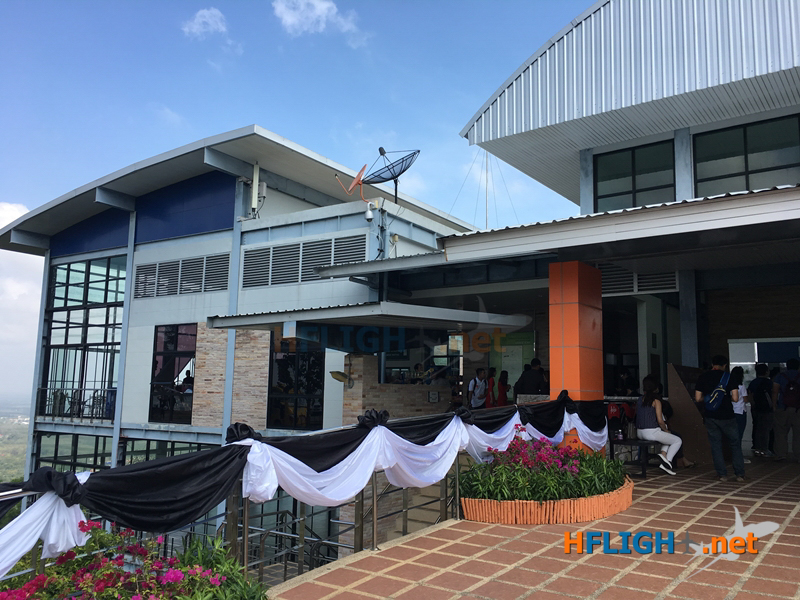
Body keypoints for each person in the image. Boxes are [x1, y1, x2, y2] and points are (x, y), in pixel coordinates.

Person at [694, 355, 745, 482]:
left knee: (716, 445)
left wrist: (709, 399)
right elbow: (735, 398)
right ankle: (740, 474)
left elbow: (698, 398)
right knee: (735, 444)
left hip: (710, 415)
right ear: (725, 365)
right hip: (728, 416)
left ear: (712, 364)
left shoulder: (703, 377)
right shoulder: (729, 377)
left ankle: (722, 475)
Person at [635, 376, 682, 475]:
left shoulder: (639, 399)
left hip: (639, 432)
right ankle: (668, 462)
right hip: (651, 432)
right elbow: (660, 421)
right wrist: (666, 429)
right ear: (656, 388)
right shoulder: (656, 401)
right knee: (677, 440)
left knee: (667, 437)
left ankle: (663, 456)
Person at [772, 358, 800, 462]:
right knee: (798, 433)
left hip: (782, 408)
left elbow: (775, 391)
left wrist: (774, 405)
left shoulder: (780, 376)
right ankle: (798, 455)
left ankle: (781, 454)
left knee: (780, 432)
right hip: (798, 409)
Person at [748, 363, 774, 457]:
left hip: (756, 408)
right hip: (767, 409)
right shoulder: (769, 383)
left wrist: (753, 405)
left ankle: (757, 448)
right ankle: (765, 449)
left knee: (758, 428)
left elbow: (750, 395)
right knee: (766, 429)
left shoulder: (753, 382)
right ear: (766, 372)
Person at [730, 367, 750, 464]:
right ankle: (738, 457)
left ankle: (731, 455)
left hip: (731, 412)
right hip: (740, 411)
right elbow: (745, 399)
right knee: (739, 435)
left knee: (732, 435)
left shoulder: (728, 385)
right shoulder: (741, 386)